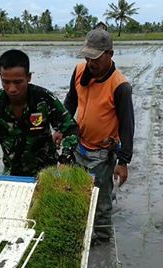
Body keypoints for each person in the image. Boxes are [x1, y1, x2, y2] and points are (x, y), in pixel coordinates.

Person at [0, 49, 78, 177]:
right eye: (6, 82)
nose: (12, 89)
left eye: (18, 82)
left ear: (28, 77)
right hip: (12, 172)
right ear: (0, 77)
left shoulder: (44, 100)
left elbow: (70, 127)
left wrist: (65, 160)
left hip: (46, 171)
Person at [64, 28, 135, 241]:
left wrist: (123, 162)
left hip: (102, 153)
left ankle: (103, 236)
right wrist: (61, 127)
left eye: (95, 58)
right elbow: (70, 101)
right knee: (76, 190)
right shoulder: (79, 71)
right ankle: (80, 226)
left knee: (102, 198)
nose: (90, 62)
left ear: (109, 54)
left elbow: (127, 127)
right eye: (87, 57)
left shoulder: (120, 85)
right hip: (78, 145)